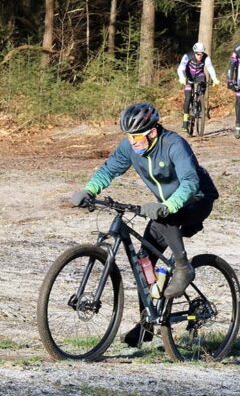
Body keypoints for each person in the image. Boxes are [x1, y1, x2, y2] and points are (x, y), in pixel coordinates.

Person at [69, 102, 219, 346]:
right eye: (129, 136)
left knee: (165, 217)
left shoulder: (174, 144)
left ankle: (183, 268)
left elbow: (190, 182)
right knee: (144, 260)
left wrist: (168, 206)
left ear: (152, 132)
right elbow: (109, 169)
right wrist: (89, 190)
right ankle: (147, 324)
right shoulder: (130, 147)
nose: (132, 141)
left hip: (197, 199)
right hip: (168, 204)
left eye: (137, 136)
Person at [177, 42, 220, 130]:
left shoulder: (206, 57)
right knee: (188, 97)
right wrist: (182, 77)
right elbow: (181, 67)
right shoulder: (188, 56)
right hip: (188, 76)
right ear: (194, 52)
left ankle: (199, 104)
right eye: (198, 54)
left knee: (202, 87)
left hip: (199, 76)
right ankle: (185, 121)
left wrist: (214, 78)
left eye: (202, 54)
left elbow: (210, 67)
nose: (200, 56)